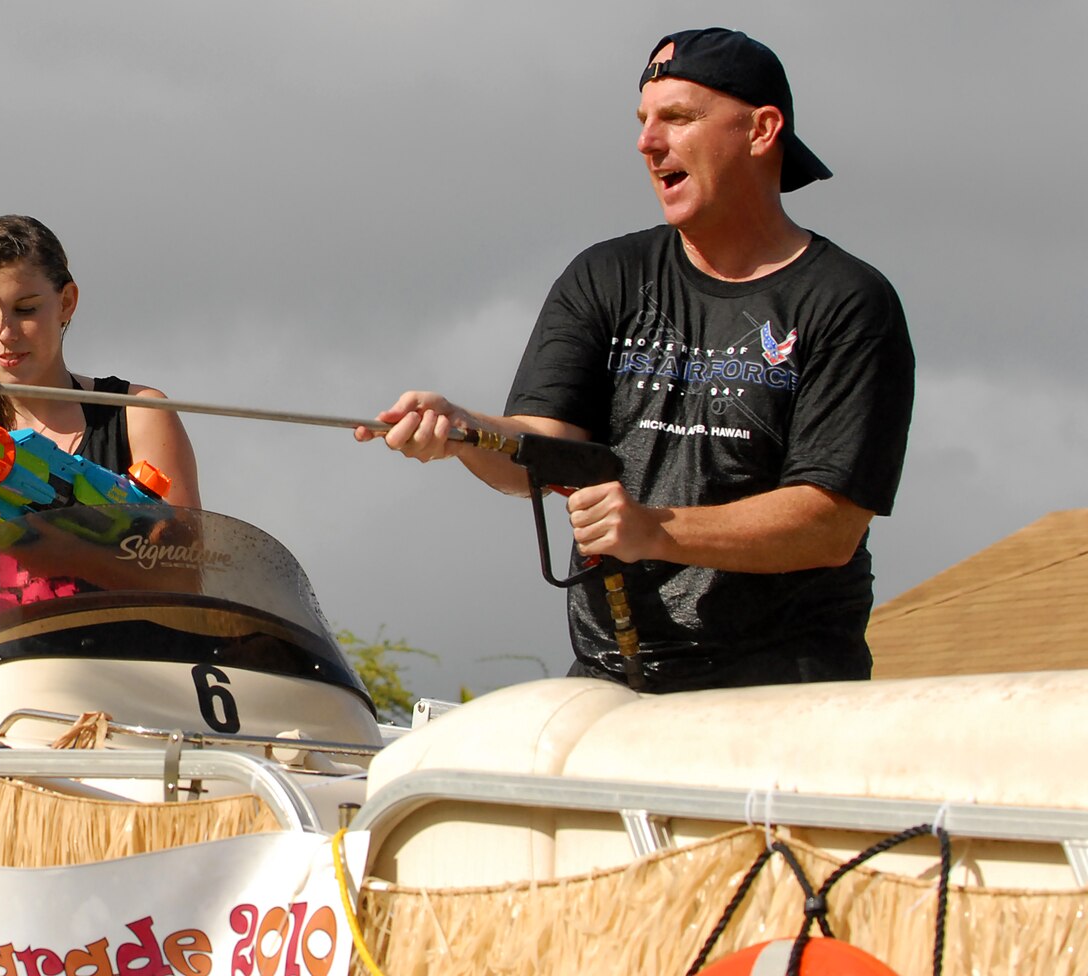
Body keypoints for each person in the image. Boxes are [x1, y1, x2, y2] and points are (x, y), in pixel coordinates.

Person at [359, 29, 914, 692]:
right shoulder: (606, 276)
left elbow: (828, 526)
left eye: (678, 119)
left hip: (784, 694)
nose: (649, 143)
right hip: (610, 687)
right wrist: (461, 429)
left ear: (762, 130)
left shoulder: (849, 301)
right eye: (644, 122)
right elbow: (545, 449)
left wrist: (654, 529)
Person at [0, 214, 202, 508]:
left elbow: (183, 550)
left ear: (66, 302)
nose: (5, 333)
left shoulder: (139, 413)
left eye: (26, 309)